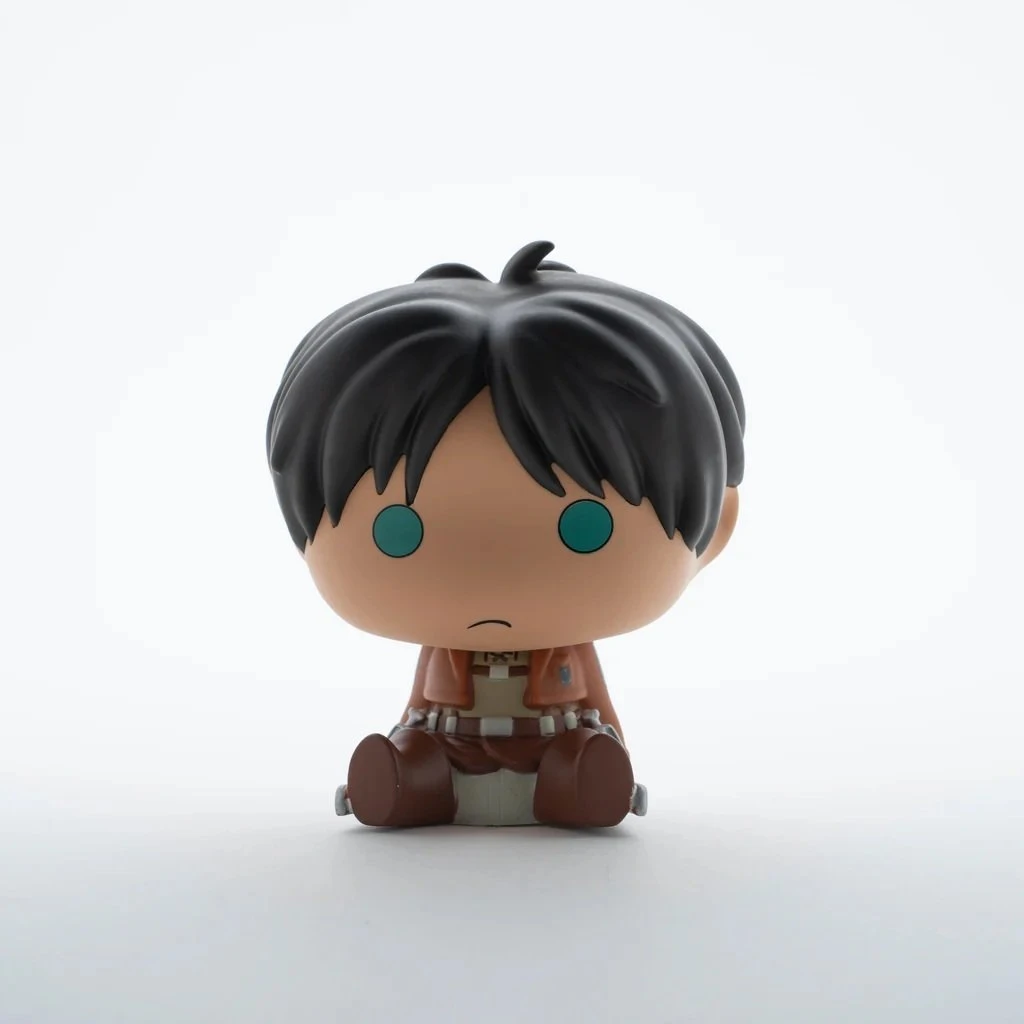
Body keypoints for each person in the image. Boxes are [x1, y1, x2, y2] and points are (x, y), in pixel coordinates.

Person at [266, 240, 745, 827]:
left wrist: (616, 752)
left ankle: (584, 787)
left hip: (554, 742)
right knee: (416, 754)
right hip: (449, 740)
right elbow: (419, 701)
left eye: (585, 528)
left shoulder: (564, 650)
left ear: (717, 526)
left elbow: (596, 701)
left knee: (581, 760)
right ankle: (404, 783)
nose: (489, 577)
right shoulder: (444, 650)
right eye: (397, 532)